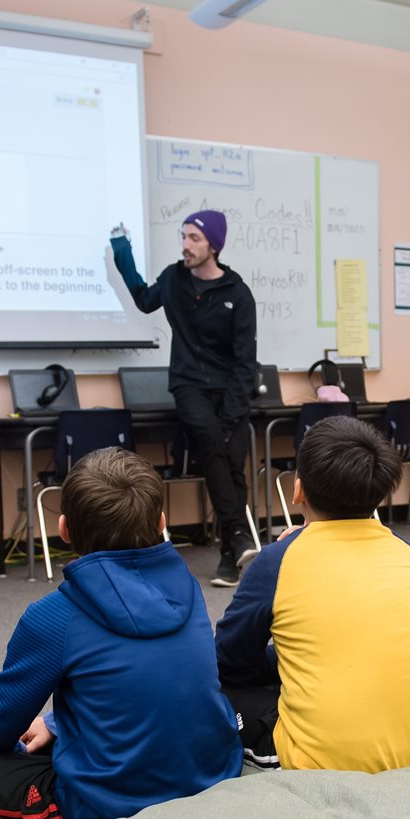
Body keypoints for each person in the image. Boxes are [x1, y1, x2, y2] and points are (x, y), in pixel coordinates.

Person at [0, 447, 241, 819]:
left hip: (105, 804)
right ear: (161, 522)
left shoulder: (52, 616)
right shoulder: (189, 587)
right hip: (213, 776)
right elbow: (153, 684)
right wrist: (56, 723)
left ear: (64, 529)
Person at [214, 416, 410, 772]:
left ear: (298, 491)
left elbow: (229, 659)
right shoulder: (404, 551)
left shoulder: (276, 562)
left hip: (325, 762)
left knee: (217, 691)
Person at [108, 212, 259, 588]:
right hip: (188, 383)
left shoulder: (238, 294)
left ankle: (230, 557)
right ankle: (239, 535)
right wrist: (121, 250)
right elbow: (144, 300)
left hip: (231, 391)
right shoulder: (174, 279)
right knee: (210, 444)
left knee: (231, 464)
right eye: (184, 237)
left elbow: (245, 363)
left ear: (213, 246)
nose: (185, 245)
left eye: (194, 238)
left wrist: (231, 419)